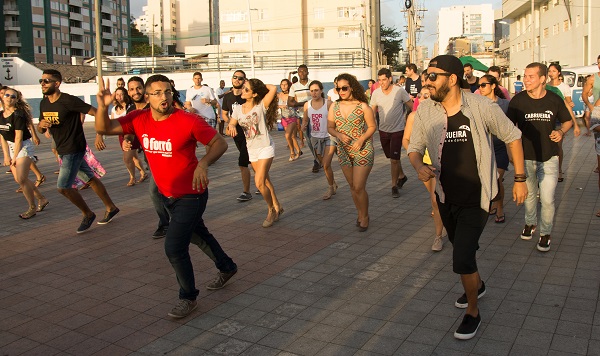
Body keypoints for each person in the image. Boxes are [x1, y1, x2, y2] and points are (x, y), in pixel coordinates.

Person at [96, 74, 237, 318]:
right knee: (197, 234)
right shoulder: (138, 118)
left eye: (168, 92)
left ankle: (188, 297)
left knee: (174, 247)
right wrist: (102, 106)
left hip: (191, 196)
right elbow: (103, 128)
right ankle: (227, 267)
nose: (164, 97)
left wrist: (203, 164)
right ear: (146, 96)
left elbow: (219, 143)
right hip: (167, 195)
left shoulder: (187, 121)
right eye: (158, 93)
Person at [408, 55, 527, 340]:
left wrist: (520, 179)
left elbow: (512, 136)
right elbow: (414, 147)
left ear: (452, 78)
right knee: (464, 252)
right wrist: (418, 165)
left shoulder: (481, 105)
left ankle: (473, 310)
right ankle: (478, 284)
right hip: (445, 196)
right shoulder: (426, 110)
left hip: (479, 197)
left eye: (432, 75)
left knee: (462, 258)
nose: (427, 80)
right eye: (426, 75)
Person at [36, 69, 119, 233]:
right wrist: (40, 126)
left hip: (74, 149)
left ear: (57, 83)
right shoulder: (43, 103)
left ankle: (88, 214)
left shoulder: (69, 101)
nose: (43, 84)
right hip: (62, 149)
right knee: (90, 179)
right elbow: (40, 126)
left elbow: (97, 113)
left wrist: (99, 134)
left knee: (63, 187)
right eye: (41, 81)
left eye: (46, 81)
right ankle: (111, 207)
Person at [507, 62, 573, 252]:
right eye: (525, 76)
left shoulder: (554, 99)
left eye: (531, 76)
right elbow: (508, 130)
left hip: (549, 157)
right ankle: (530, 223)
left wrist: (561, 132)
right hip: (526, 159)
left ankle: (545, 234)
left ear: (542, 79)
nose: (526, 80)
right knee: (528, 198)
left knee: (547, 198)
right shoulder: (517, 101)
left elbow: (567, 121)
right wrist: (512, 153)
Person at [228, 78, 283, 228]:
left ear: (254, 94)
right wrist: (231, 126)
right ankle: (277, 205)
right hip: (251, 149)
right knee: (265, 181)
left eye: (246, 89)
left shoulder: (260, 106)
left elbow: (272, 88)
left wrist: (255, 84)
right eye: (243, 88)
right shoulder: (238, 109)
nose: (243, 91)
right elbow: (232, 122)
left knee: (259, 182)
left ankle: (271, 209)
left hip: (265, 146)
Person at [327, 73, 376, 232]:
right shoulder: (334, 106)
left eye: (344, 88)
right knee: (352, 187)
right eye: (338, 88)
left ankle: (365, 216)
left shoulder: (363, 106)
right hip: (343, 151)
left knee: (359, 186)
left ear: (352, 87)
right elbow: (330, 127)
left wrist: (361, 140)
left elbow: (372, 127)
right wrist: (339, 135)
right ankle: (360, 213)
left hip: (363, 150)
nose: (340, 91)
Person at [403, 86, 446, 251]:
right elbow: (406, 140)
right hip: (425, 163)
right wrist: (417, 158)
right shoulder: (413, 116)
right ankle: (439, 232)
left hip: (441, 162)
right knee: (435, 199)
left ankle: (438, 236)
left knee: (437, 199)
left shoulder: (441, 114)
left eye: (428, 95)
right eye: (421, 95)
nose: (423, 98)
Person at [1, 87, 49, 219]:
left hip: (23, 146)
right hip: (12, 147)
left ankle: (31, 208)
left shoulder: (18, 115)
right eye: (7, 95)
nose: (9, 98)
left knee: (22, 178)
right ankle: (42, 198)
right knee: (19, 179)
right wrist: (6, 155)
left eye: (13, 96)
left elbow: (18, 138)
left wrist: (15, 157)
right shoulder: (1, 115)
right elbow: (2, 137)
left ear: (16, 100)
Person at [370, 68, 412, 198]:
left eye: (384, 80)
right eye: (379, 80)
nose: (381, 82)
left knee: (394, 160)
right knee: (391, 157)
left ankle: (394, 186)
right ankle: (402, 175)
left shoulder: (399, 91)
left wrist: (413, 120)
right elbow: (372, 110)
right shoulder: (376, 93)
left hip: (398, 130)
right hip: (383, 130)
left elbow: (411, 105)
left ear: (390, 79)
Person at [477, 74, 510, 224]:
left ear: (493, 86)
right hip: (484, 148)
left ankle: (500, 207)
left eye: (483, 85)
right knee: (487, 180)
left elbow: (512, 127)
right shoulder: (477, 104)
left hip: (500, 147)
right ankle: (491, 202)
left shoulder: (505, 104)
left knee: (497, 178)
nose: (480, 88)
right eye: (479, 85)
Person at [302, 80, 337, 200]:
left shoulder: (329, 103)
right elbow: (305, 119)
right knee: (323, 164)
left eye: (316, 90)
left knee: (326, 164)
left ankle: (330, 188)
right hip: (315, 137)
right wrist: (303, 125)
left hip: (329, 136)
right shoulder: (307, 105)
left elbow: (337, 118)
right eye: (311, 91)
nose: (314, 93)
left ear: (321, 90)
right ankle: (333, 182)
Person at [222, 70, 253, 202]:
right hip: (236, 135)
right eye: (235, 77)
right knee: (252, 161)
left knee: (243, 162)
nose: (237, 80)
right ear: (232, 79)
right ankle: (262, 183)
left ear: (244, 80)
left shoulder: (247, 96)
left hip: (249, 134)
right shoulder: (227, 97)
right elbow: (224, 114)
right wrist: (231, 124)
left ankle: (246, 192)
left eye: (240, 78)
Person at [547, 62, 581, 182]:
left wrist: (575, 124)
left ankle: (558, 170)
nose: (551, 73)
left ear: (559, 72)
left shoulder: (564, 87)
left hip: (559, 120)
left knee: (558, 146)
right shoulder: (545, 86)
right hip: (547, 119)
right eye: (549, 71)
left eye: (554, 71)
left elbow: (568, 105)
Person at [110, 87, 147, 186]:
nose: (119, 96)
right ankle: (143, 172)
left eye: (121, 94)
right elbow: (112, 124)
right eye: (117, 94)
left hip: (131, 134)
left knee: (127, 158)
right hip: (121, 135)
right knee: (134, 157)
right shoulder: (114, 109)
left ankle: (132, 177)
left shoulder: (130, 107)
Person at [288, 64, 321, 173]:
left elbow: (320, 97)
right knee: (309, 139)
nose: (302, 73)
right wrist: (304, 104)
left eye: (304, 71)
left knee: (316, 138)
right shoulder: (294, 86)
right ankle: (317, 159)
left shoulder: (312, 84)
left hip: (315, 115)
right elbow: (290, 102)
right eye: (300, 72)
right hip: (303, 116)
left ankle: (318, 159)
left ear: (307, 72)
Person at [278, 79, 301, 161]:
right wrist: (280, 106)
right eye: (282, 84)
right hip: (284, 118)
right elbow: (274, 105)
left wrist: (291, 104)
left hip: (292, 117)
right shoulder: (279, 95)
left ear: (289, 85)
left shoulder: (292, 95)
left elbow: (298, 104)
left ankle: (292, 152)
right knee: (292, 136)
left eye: (285, 84)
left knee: (287, 135)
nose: (283, 86)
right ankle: (298, 151)